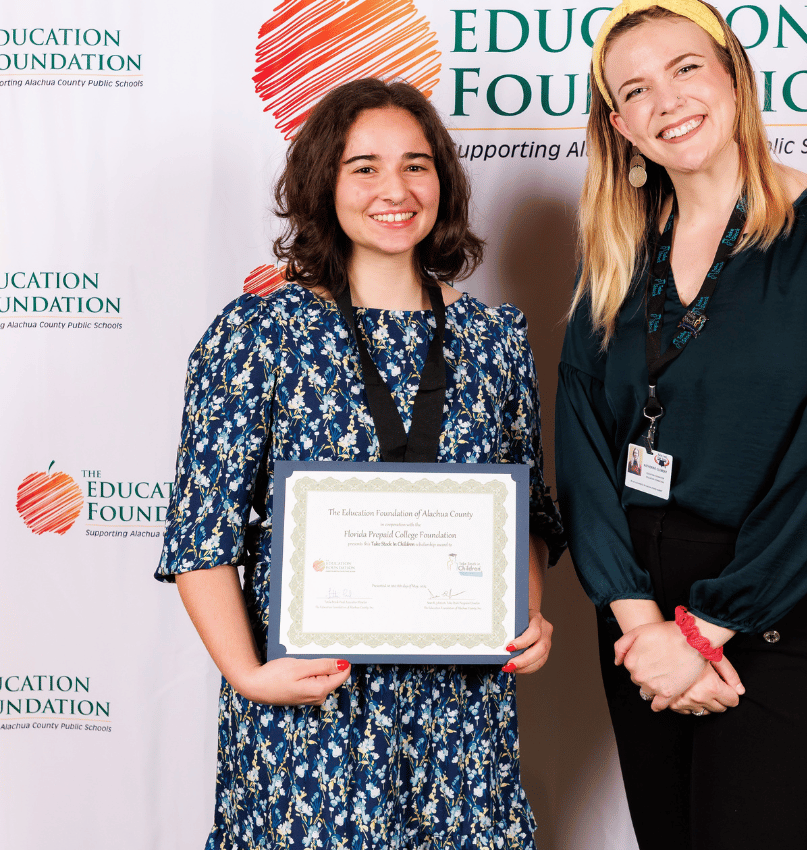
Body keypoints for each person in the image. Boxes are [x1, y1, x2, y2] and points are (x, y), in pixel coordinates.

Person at [156, 78, 565, 850]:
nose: (395, 190)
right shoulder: (257, 334)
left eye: (416, 165)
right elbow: (200, 532)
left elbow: (527, 514)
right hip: (314, 703)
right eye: (365, 167)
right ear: (324, 183)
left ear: (442, 182)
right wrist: (249, 675)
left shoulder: (495, 339)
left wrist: (525, 620)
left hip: (460, 717)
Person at [554, 0, 807, 850]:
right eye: (636, 90)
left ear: (735, 78)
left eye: (686, 69)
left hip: (781, 611)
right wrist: (642, 627)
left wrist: (704, 634)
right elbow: (584, 450)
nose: (667, 100)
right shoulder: (616, 252)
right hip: (641, 620)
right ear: (621, 127)